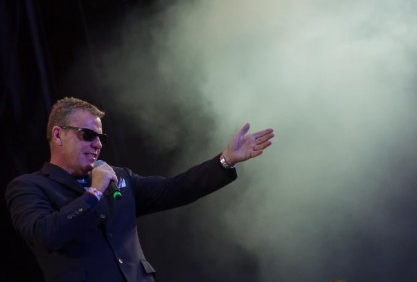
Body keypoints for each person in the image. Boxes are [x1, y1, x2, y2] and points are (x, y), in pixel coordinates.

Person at [5, 97, 274, 282]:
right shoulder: (30, 187)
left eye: (101, 138)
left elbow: (175, 189)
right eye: (87, 135)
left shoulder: (120, 178)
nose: (97, 144)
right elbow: (45, 235)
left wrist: (225, 160)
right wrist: (94, 194)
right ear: (58, 135)